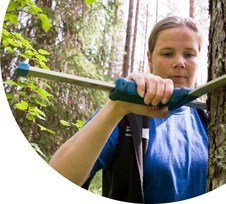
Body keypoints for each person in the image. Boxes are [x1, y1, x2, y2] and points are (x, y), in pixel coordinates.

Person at [49, 16, 208, 203]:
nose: (180, 62)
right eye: (167, 53)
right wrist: (118, 107)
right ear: (150, 59)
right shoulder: (124, 115)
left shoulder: (209, 119)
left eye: (189, 54)